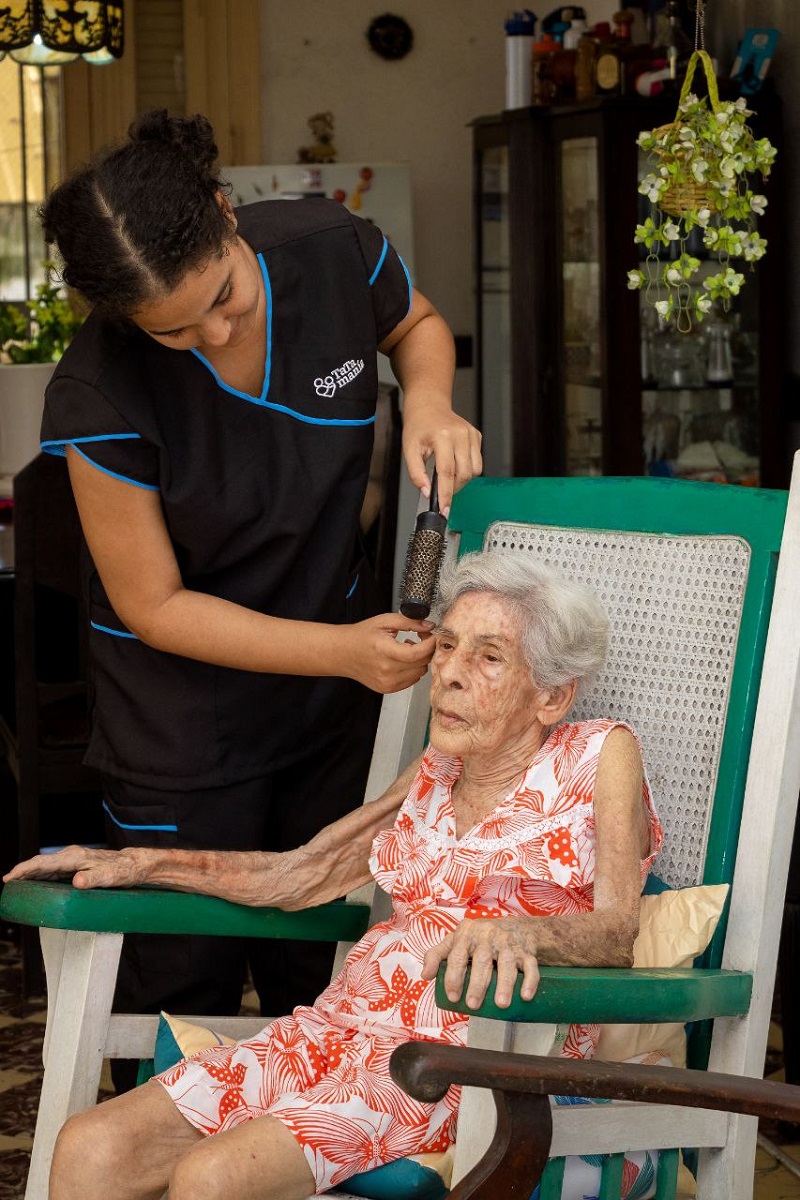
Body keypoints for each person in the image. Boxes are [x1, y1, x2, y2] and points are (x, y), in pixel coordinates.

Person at [7, 553, 663, 1200]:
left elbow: (617, 932)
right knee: (90, 1147)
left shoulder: (601, 753)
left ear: (552, 694)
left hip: (453, 1061)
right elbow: (304, 871)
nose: (450, 676)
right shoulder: (439, 764)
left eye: (488, 657)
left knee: (214, 1178)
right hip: (334, 1036)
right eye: (448, 648)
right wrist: (141, 863)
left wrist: (521, 934)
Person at [35, 109, 482, 1051]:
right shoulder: (97, 392)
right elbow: (153, 606)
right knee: (177, 989)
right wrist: (343, 653)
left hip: (328, 717)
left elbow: (417, 323)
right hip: (184, 732)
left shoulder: (334, 248)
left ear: (223, 211)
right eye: (176, 332)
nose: (217, 330)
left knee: (322, 981)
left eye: (226, 298)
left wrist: (432, 402)